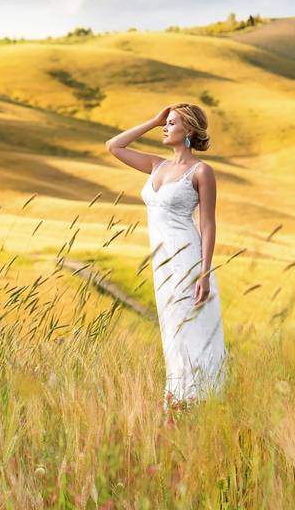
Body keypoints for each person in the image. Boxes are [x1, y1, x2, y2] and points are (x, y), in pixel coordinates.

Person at [105, 103, 228, 408]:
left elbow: (208, 223)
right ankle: (177, 403)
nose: (165, 128)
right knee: (172, 333)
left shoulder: (201, 171)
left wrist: (204, 273)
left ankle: (202, 402)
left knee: (194, 332)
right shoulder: (156, 165)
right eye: (166, 123)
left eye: (171, 124)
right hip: (163, 265)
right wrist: (153, 119)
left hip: (188, 261)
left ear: (188, 131)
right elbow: (114, 146)